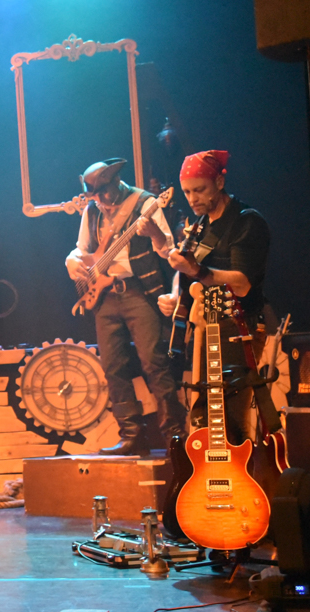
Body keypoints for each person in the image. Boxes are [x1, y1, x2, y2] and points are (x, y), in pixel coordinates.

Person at [65, 158, 188, 455]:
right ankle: (131, 435)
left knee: (153, 363)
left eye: (102, 196)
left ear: (114, 186)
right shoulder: (92, 210)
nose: (100, 204)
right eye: (94, 198)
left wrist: (153, 234)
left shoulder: (146, 203)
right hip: (105, 297)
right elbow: (81, 249)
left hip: (137, 292)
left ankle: (174, 436)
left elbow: (168, 251)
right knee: (113, 366)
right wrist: (71, 260)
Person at [167, 150, 275, 448]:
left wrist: (196, 269)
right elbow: (195, 280)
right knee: (203, 417)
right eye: (187, 192)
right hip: (207, 329)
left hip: (240, 328)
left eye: (199, 190)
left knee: (231, 419)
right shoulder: (202, 224)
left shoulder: (246, 222)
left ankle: (241, 485)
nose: (192, 198)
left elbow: (241, 283)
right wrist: (177, 301)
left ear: (219, 180)